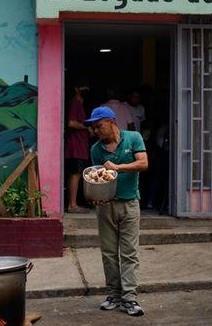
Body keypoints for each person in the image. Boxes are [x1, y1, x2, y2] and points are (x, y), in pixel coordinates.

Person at [84, 106, 148, 316]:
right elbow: (98, 178)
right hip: (106, 207)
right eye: (93, 128)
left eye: (99, 126)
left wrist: (118, 168)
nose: (96, 131)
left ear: (111, 121)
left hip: (130, 204)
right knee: (109, 254)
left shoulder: (133, 138)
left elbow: (143, 163)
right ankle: (113, 295)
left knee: (129, 253)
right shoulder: (96, 150)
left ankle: (129, 299)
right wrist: (95, 196)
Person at [64, 82, 92, 213]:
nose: (85, 89)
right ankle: (73, 205)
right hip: (76, 146)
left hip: (80, 145)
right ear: (76, 88)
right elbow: (71, 123)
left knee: (75, 173)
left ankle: (73, 204)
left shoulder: (80, 104)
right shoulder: (75, 102)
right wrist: (87, 127)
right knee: (76, 174)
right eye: (83, 86)